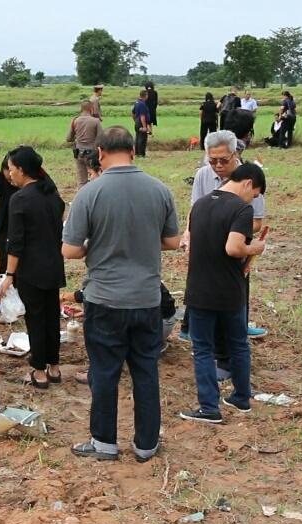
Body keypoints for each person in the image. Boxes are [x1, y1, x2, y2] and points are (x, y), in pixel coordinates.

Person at [63, 126, 181, 463]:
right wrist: (142, 239)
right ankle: (146, 445)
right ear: (133, 151)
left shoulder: (89, 193)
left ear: (99, 153)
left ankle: (104, 443)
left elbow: (70, 250)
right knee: (145, 371)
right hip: (147, 299)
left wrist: (99, 243)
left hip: (104, 300)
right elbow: (172, 241)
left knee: (104, 372)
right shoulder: (159, 190)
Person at [179, 163, 267, 424]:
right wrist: (256, 248)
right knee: (238, 344)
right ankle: (241, 396)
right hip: (230, 289)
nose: (253, 199)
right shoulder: (241, 209)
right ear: (248, 183)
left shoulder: (200, 205)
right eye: (255, 193)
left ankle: (209, 406)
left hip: (199, 289)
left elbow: (191, 244)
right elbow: (233, 247)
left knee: (203, 349)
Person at [179, 131, 267, 350]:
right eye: (212, 160)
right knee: (200, 285)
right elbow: (195, 209)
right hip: (205, 243)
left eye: (223, 160)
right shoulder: (202, 175)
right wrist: (189, 234)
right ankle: (189, 328)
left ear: (234, 154)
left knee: (234, 288)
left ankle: (237, 329)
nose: (217, 165)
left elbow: (256, 221)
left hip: (234, 243)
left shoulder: (249, 177)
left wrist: (230, 229)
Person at [1, 147, 66, 389]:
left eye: (11, 168)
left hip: (31, 269)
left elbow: (16, 243)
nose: (9, 174)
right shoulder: (52, 195)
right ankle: (54, 367)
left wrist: (9, 274)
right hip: (54, 265)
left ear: (21, 169)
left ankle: (39, 372)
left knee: (36, 318)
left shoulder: (20, 200)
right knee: (51, 317)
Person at [66, 101, 104, 186]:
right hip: (92, 154)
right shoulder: (95, 121)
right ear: (91, 109)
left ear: (81, 109)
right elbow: (101, 138)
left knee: (82, 181)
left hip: (79, 153)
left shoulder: (75, 121)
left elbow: (68, 138)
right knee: (95, 178)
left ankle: (82, 197)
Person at [132, 90, 152, 158]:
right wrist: (144, 127)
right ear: (145, 95)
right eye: (147, 95)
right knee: (142, 138)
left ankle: (137, 153)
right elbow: (142, 116)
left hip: (137, 122)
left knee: (137, 137)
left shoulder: (137, 102)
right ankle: (141, 154)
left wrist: (135, 120)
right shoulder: (142, 104)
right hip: (141, 122)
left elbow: (133, 113)